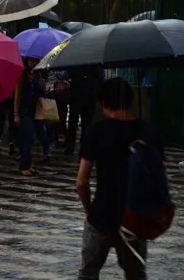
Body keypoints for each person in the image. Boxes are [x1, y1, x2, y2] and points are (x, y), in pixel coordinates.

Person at [76, 78, 162, 279]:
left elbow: (81, 181)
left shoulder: (95, 131)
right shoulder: (149, 131)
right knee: (135, 274)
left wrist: (89, 208)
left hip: (101, 215)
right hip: (135, 217)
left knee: (88, 272)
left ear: (104, 104)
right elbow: (158, 178)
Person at [14, 58, 48, 176]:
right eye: (31, 61)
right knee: (29, 137)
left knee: (32, 139)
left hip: (36, 112)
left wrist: (42, 86)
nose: (34, 63)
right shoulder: (22, 75)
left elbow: (41, 95)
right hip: (25, 111)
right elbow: (17, 96)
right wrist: (16, 114)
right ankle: (23, 165)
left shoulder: (38, 75)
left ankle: (28, 164)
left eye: (36, 61)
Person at [64, 66, 104, 155]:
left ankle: (78, 147)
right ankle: (74, 146)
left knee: (82, 124)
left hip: (86, 97)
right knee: (77, 123)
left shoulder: (91, 65)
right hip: (80, 97)